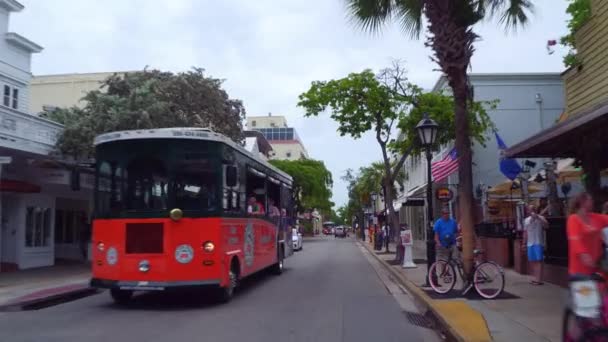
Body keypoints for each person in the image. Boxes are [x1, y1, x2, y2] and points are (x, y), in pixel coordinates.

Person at [566, 192, 608, 277]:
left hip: (597, 266)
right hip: (579, 268)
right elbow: (575, 239)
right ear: (583, 202)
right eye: (590, 199)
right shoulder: (573, 219)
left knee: (601, 289)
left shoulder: (596, 217)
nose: (593, 201)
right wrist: (583, 254)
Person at [523, 205, 548, 285]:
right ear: (528, 211)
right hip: (530, 243)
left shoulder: (541, 218)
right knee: (533, 261)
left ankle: (539, 279)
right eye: (530, 209)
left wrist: (538, 217)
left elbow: (547, 225)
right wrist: (524, 243)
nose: (531, 211)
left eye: (533, 209)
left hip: (538, 242)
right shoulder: (526, 220)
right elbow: (525, 232)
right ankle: (535, 277)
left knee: (539, 261)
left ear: (535, 210)